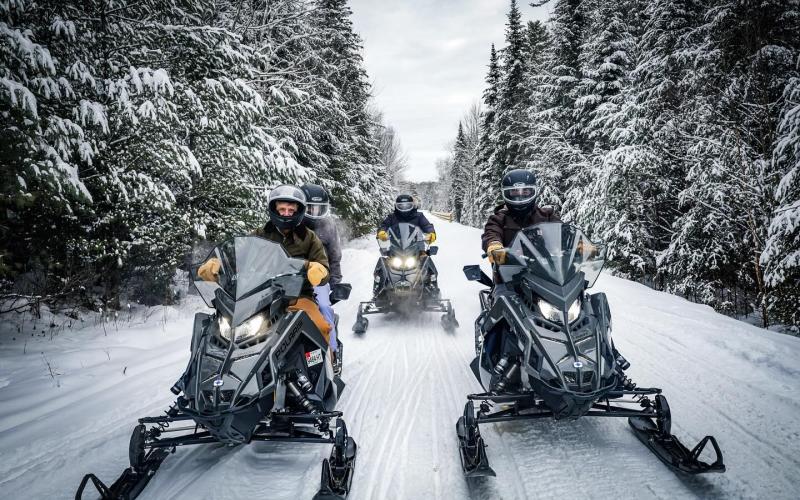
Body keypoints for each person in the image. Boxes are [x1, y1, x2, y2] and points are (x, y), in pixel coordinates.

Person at [198, 184, 333, 343]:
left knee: (320, 327)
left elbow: (323, 268)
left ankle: (326, 363)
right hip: (261, 295)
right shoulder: (259, 234)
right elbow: (237, 255)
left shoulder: (309, 238)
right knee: (227, 331)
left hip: (298, 297)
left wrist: (318, 269)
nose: (286, 214)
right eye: (282, 210)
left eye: (291, 211)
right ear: (274, 210)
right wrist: (217, 264)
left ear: (298, 212)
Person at [481, 169, 560, 267]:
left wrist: (579, 244)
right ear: (506, 193)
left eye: (525, 191)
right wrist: (494, 243)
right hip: (509, 274)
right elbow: (492, 232)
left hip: (546, 272)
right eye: (514, 192)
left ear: (533, 191)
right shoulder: (499, 218)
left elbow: (563, 232)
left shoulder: (546, 215)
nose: (520, 196)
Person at [300, 183, 342, 360]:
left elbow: (334, 256)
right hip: (289, 278)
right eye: (310, 208)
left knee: (324, 308)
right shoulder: (292, 222)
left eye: (319, 208)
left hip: (319, 280)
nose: (315, 212)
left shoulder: (328, 225)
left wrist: (336, 282)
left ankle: (333, 353)